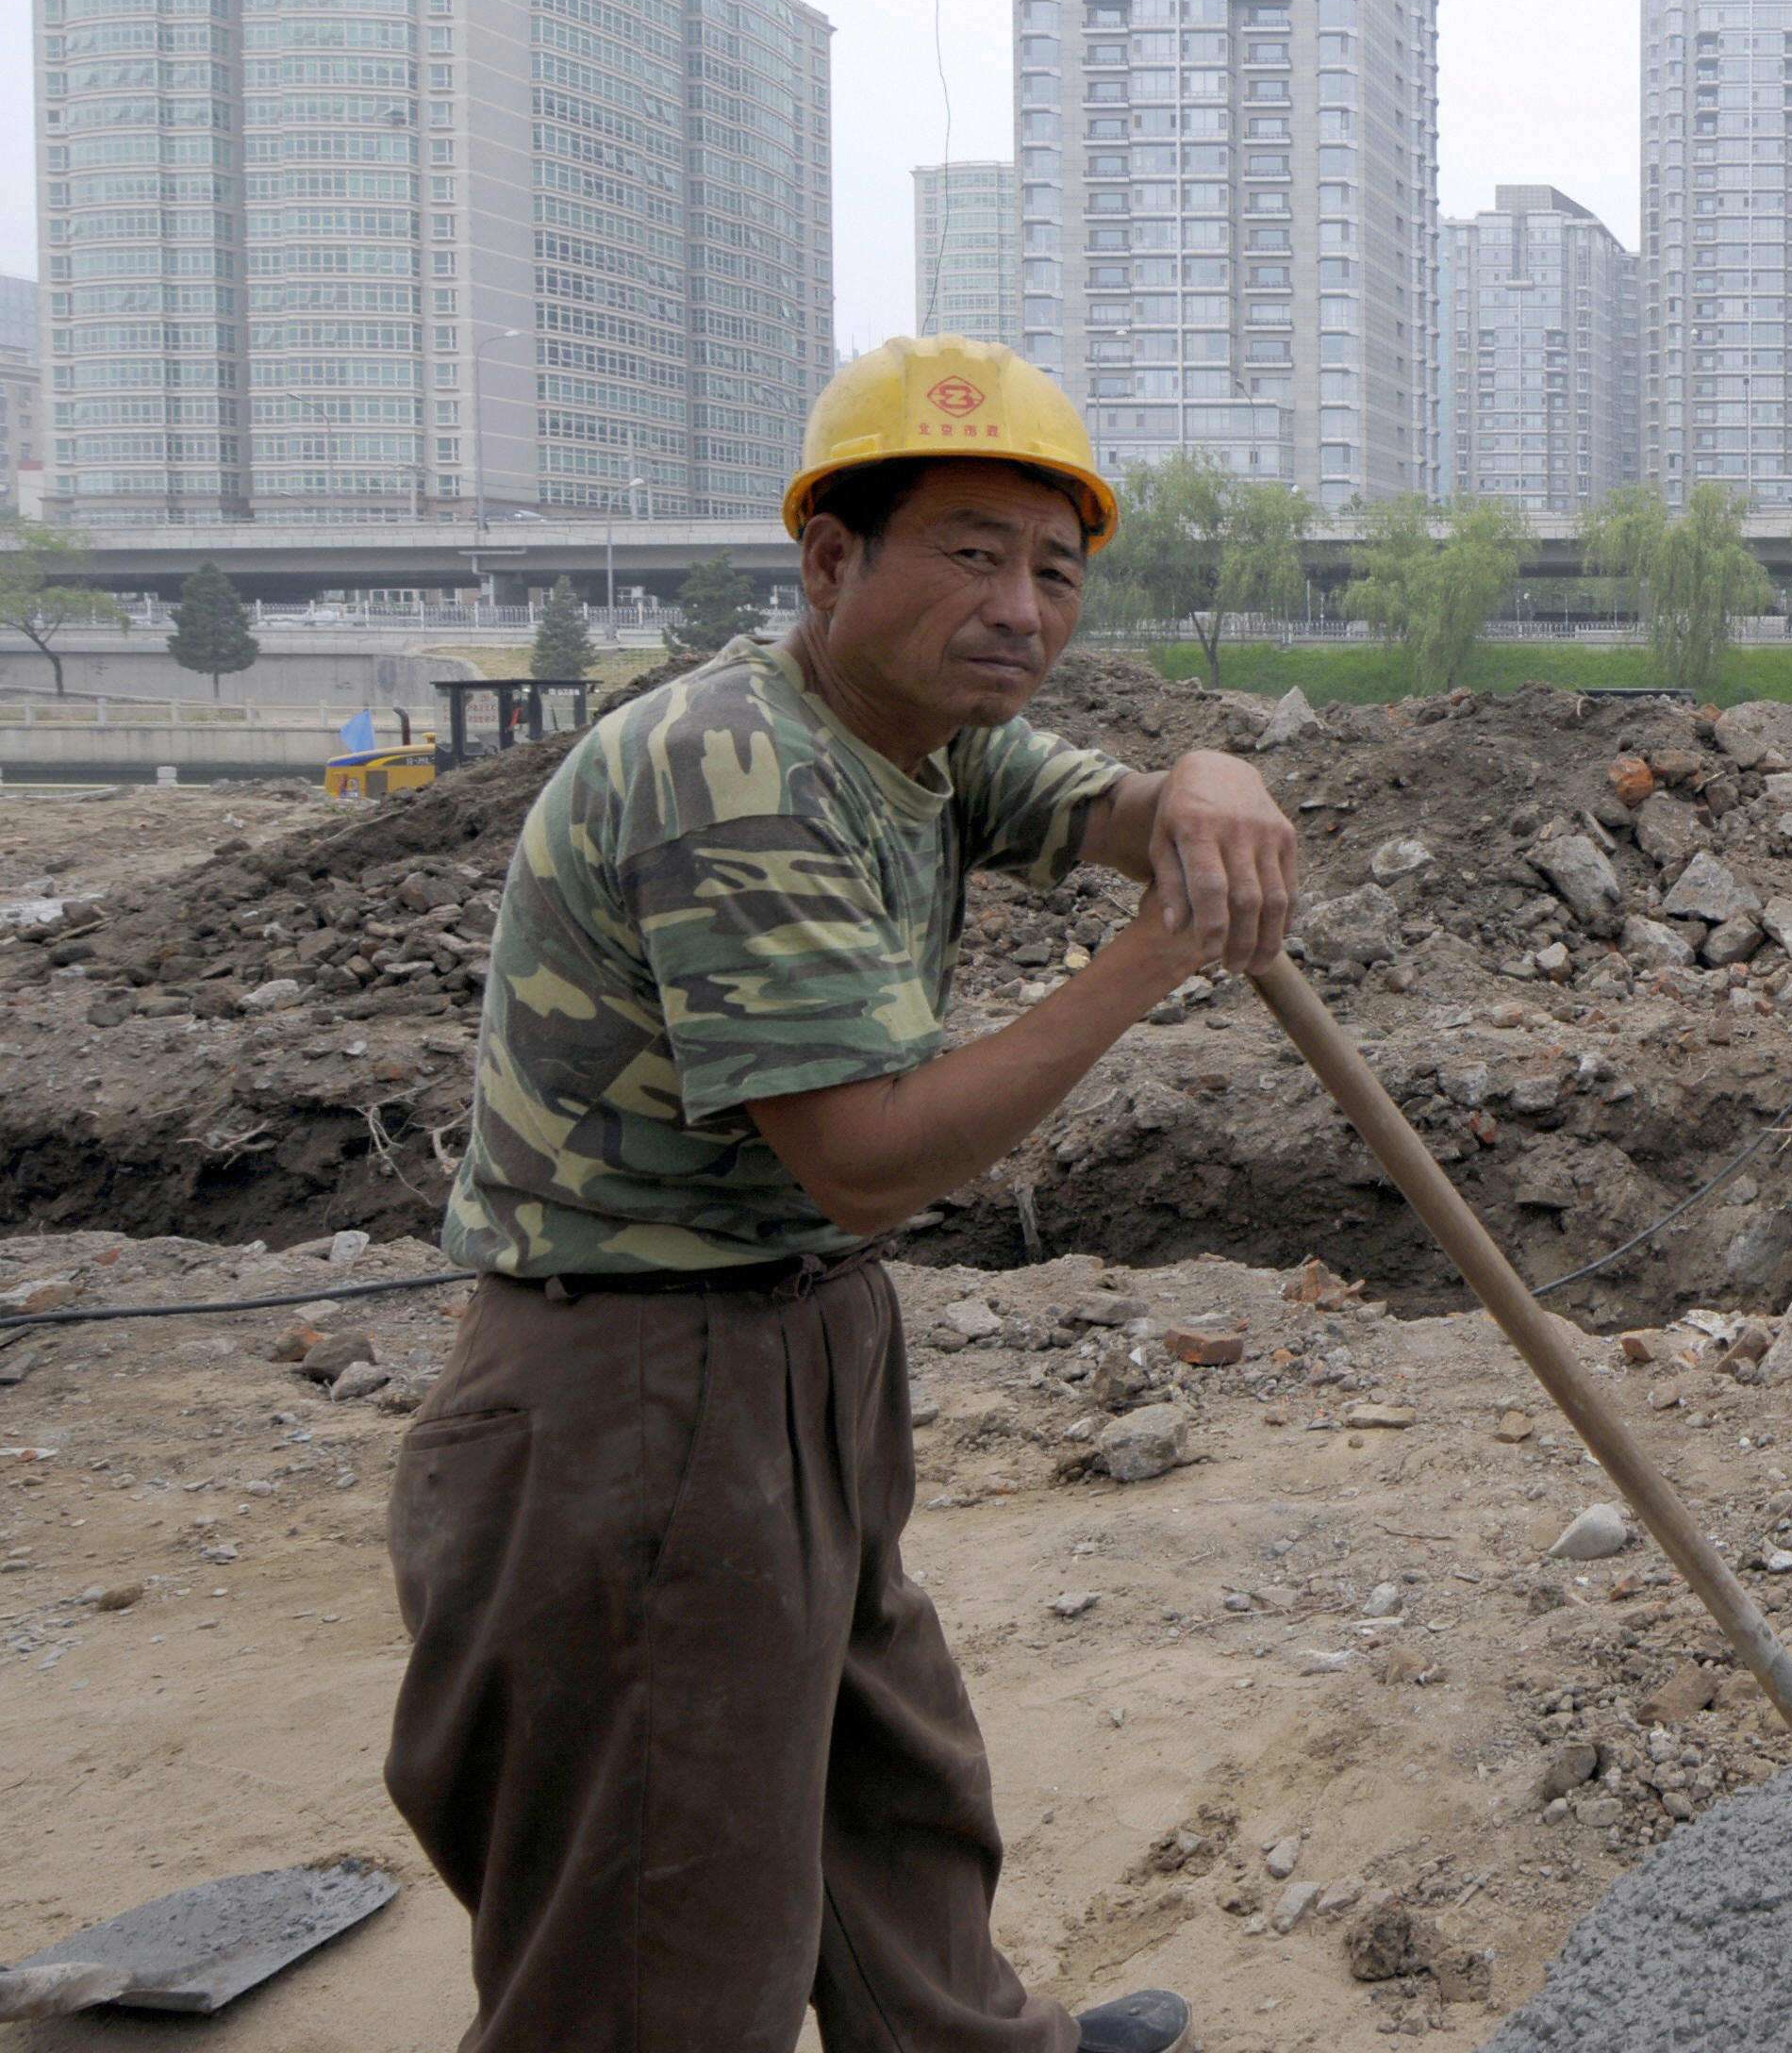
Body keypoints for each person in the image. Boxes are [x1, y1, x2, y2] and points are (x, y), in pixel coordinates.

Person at [384, 338, 1297, 2053]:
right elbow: (867, 1155)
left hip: (789, 1335)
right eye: (969, 552)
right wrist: (1153, 959)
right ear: (831, 562)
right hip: (637, 1384)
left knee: (884, 1779)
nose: (1020, 604)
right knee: (666, 1909)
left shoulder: (925, 737)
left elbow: (1104, 803)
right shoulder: (739, 768)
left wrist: (1206, 782)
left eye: (1052, 568)